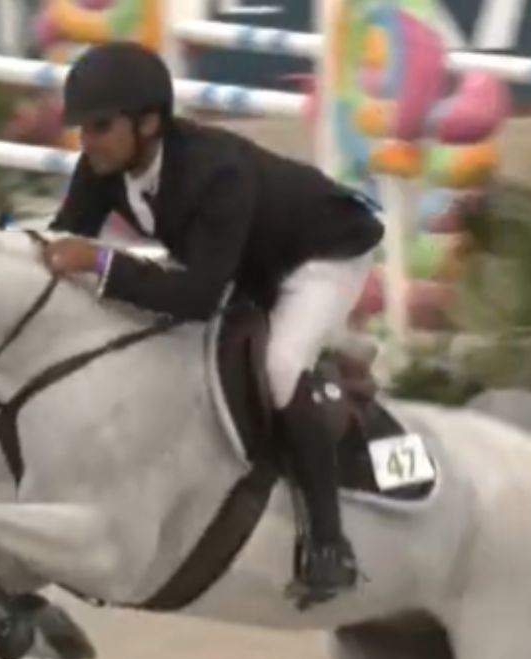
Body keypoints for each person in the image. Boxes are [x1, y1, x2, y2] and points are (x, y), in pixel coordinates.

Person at [40, 40, 385, 610]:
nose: (87, 141)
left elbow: (198, 296)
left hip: (320, 256)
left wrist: (101, 263)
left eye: (99, 126)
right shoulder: (103, 167)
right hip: (247, 261)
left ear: (148, 122)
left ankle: (331, 544)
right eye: (82, 128)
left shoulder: (214, 173)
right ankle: (331, 346)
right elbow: (61, 238)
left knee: (277, 372)